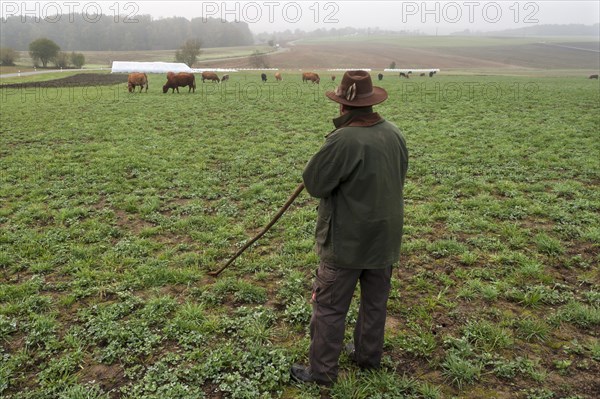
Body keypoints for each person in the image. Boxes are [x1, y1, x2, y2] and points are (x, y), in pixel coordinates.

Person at [290, 70, 409, 386]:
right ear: (369, 103)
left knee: (329, 307)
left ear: (343, 105)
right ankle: (368, 358)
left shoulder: (343, 139)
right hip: (385, 239)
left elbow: (315, 184)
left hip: (346, 241)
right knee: (374, 303)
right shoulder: (394, 133)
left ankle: (321, 373)